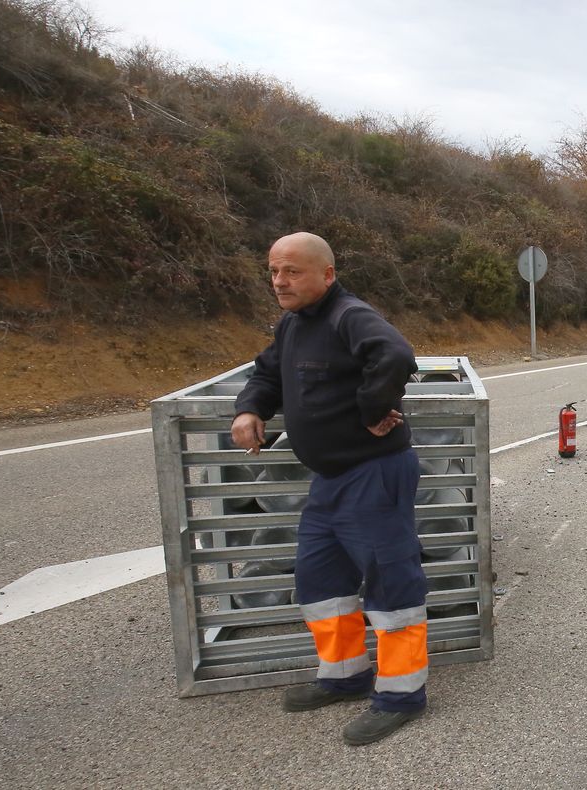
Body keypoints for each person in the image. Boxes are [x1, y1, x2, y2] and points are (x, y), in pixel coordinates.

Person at [231, 231, 426, 746]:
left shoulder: (349, 316)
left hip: (374, 473)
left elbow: (395, 354)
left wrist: (369, 412)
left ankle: (401, 696)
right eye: (274, 270)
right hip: (330, 480)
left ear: (327, 275)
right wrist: (250, 407)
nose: (279, 281)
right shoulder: (293, 324)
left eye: (292, 271)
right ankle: (344, 676)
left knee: (391, 586)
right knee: (321, 582)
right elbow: (267, 372)